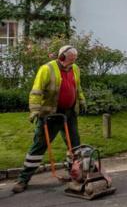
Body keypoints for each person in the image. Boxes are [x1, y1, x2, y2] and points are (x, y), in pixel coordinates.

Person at [12, 46, 86, 193]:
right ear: (62, 57)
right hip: (49, 116)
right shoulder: (47, 69)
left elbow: (77, 87)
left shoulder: (75, 68)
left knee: (75, 147)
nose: (72, 63)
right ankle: (22, 179)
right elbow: (36, 91)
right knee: (39, 146)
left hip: (69, 114)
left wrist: (82, 100)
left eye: (74, 60)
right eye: (70, 60)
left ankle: (76, 175)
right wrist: (34, 110)